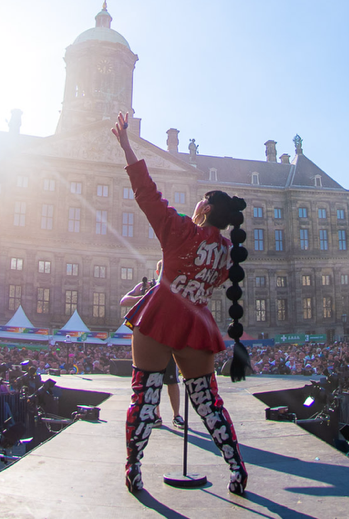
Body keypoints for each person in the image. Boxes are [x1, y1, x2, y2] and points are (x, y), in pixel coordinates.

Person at [113, 112, 250, 495]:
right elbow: (211, 281)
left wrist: (126, 144)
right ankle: (236, 468)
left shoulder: (180, 230)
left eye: (199, 201)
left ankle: (134, 469)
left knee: (145, 397)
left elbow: (146, 191)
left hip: (160, 317)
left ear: (203, 210)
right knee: (207, 402)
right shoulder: (229, 253)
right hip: (197, 325)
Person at [119, 262, 184, 428]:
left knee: (172, 380)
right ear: (157, 271)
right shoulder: (146, 286)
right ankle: (156, 415)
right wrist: (145, 297)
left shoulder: (175, 287)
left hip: (168, 339)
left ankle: (177, 415)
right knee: (153, 380)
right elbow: (124, 301)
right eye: (162, 270)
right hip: (151, 339)